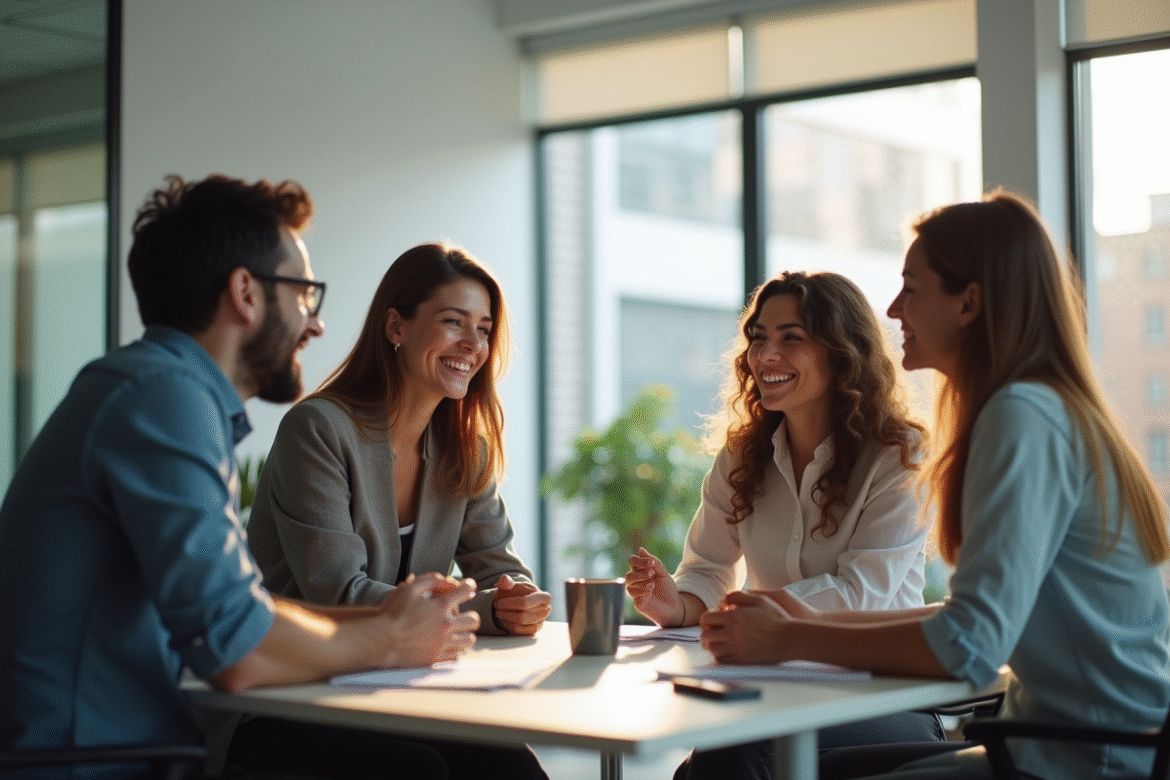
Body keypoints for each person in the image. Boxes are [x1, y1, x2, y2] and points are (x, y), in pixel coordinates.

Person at [0, 175, 480, 780]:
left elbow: (239, 610)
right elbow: (237, 652)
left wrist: (391, 621)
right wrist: (390, 639)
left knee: (482, 759)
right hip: (91, 768)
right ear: (246, 293)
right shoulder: (164, 399)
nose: (315, 325)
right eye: (305, 295)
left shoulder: (155, 390)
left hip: (131, 756)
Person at [702, 191, 1170, 780]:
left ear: (968, 303)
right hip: (1053, 746)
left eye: (911, 288)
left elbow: (969, 645)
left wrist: (791, 638)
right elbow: (964, 616)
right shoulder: (1039, 408)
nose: (894, 309)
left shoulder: (1021, 416)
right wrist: (798, 624)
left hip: (1081, 761)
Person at [237, 241, 551, 780]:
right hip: (292, 693)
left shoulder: (464, 448)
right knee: (419, 770)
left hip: (398, 687)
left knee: (509, 766)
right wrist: (476, 610)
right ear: (396, 326)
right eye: (453, 322)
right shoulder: (318, 430)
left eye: (483, 329)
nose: (473, 345)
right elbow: (336, 594)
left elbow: (501, 571)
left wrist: (513, 604)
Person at [623, 271, 942, 780]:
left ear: (843, 354)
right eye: (758, 338)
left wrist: (755, 616)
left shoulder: (898, 455)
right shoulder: (742, 455)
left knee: (728, 754)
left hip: (884, 692)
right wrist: (675, 603)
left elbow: (864, 593)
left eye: (792, 338)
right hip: (772, 684)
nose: (766, 356)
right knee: (712, 754)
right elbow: (707, 569)